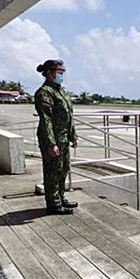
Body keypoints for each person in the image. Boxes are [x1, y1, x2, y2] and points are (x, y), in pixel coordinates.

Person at [35, 59, 78, 215]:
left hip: (64, 137)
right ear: (49, 72)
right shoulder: (45, 92)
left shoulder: (62, 91)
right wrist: (51, 143)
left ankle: (60, 197)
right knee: (53, 170)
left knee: (63, 168)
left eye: (62, 72)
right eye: (59, 72)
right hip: (52, 138)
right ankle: (53, 204)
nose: (61, 75)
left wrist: (73, 135)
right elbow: (46, 119)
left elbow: (69, 115)